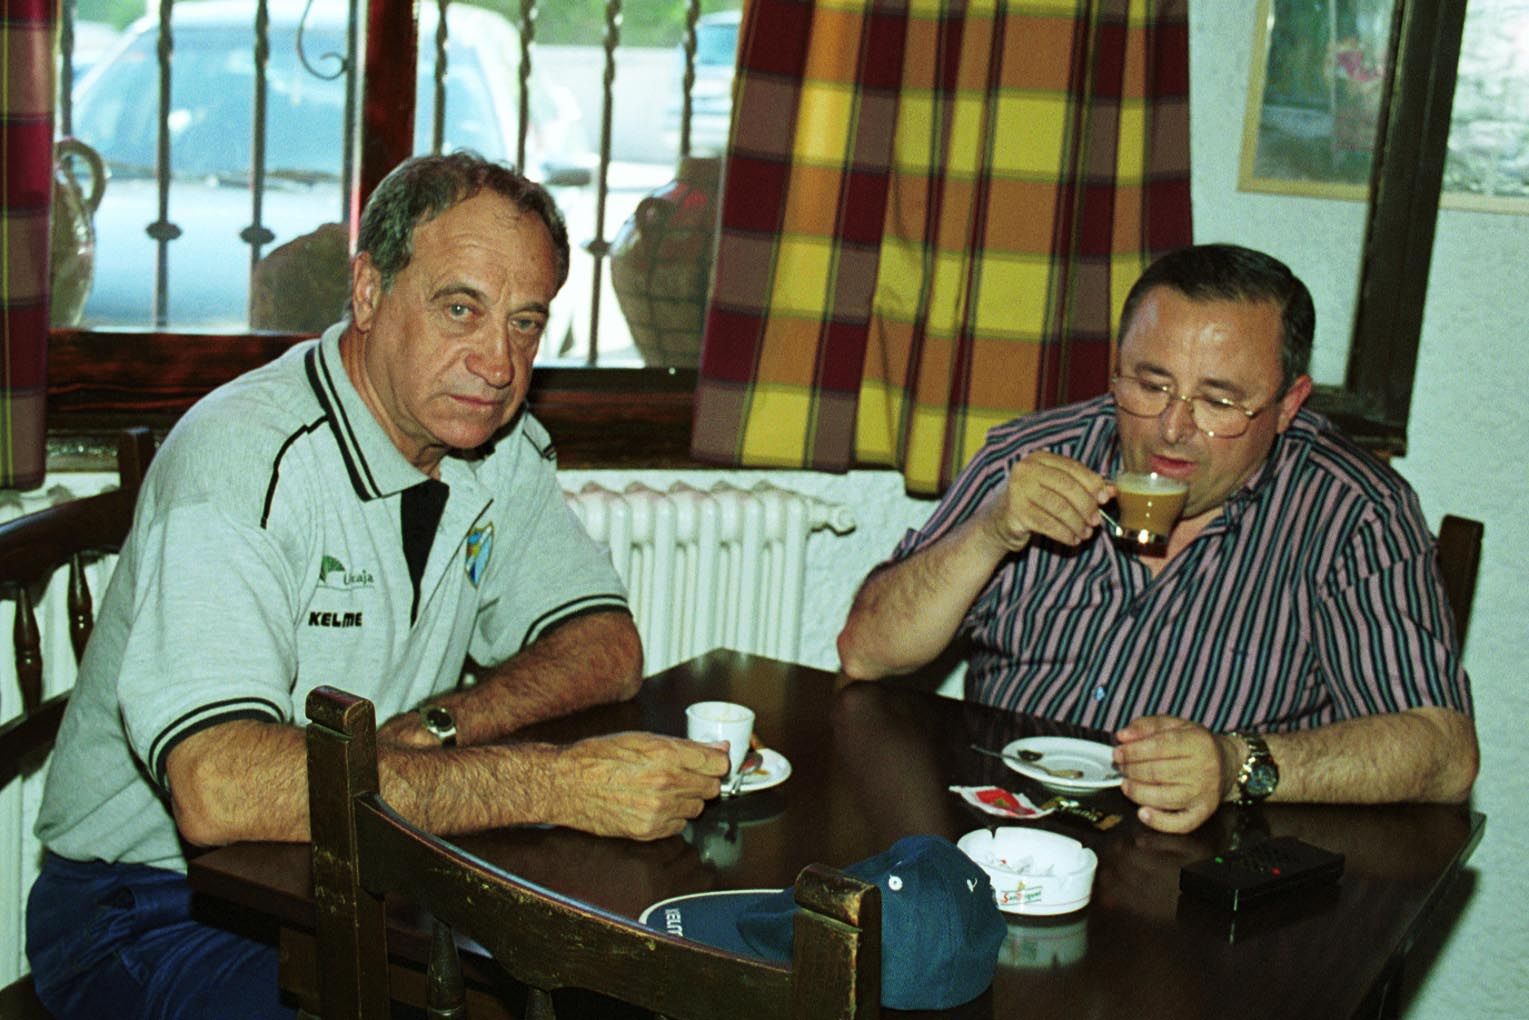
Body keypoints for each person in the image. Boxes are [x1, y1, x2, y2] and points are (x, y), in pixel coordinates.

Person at [28, 152, 729, 1020]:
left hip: (360, 870)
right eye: (459, 309)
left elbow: (603, 646)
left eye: (523, 323)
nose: (497, 364)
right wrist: (557, 784)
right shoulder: (243, 465)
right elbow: (218, 788)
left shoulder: (493, 447)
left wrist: (442, 726)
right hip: (150, 910)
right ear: (367, 292)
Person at [836, 243, 1477, 835]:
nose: (1173, 429)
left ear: (1288, 405)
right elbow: (867, 654)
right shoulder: (1035, 456)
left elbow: (1444, 753)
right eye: (1151, 385)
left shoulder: (1351, 512)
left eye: (1219, 401)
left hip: (1204, 875)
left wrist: (1235, 765)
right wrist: (988, 532)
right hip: (1007, 839)